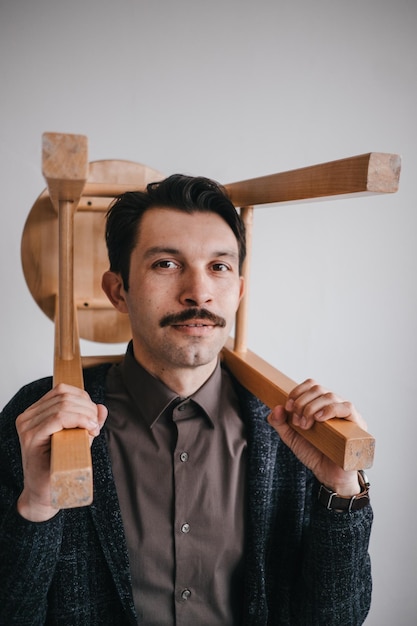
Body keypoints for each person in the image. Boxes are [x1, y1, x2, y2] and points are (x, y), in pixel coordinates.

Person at [0, 174, 372, 626]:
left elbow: (337, 619)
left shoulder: (292, 430)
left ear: (238, 289)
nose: (199, 291)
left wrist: (343, 491)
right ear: (118, 290)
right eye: (166, 264)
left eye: (219, 266)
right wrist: (35, 507)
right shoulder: (41, 418)